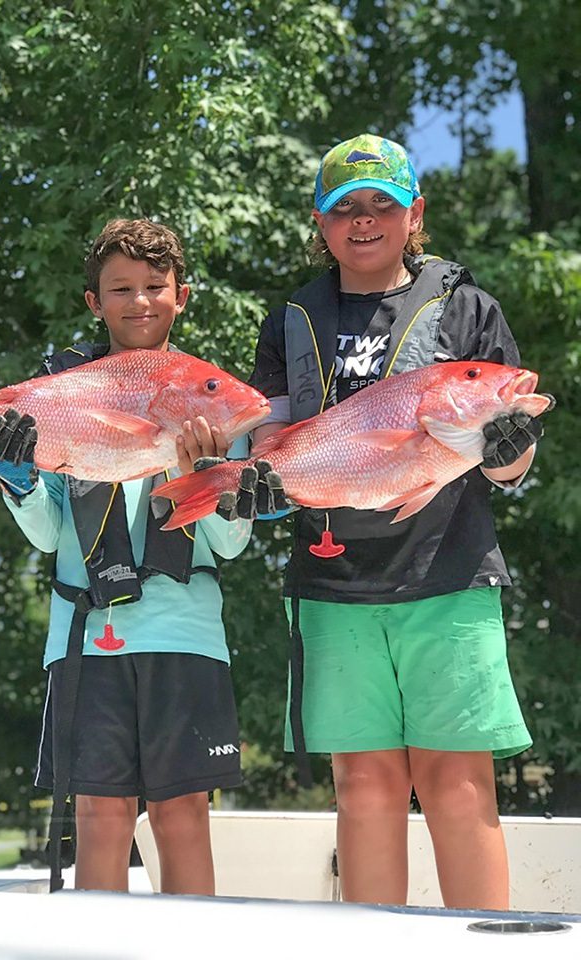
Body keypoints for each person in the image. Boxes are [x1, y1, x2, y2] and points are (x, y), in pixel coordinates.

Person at [236, 133, 552, 910]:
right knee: (366, 784)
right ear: (320, 223)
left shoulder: (470, 309)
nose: (366, 220)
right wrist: (250, 484)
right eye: (346, 208)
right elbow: (269, 447)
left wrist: (509, 446)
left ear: (417, 215)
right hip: (332, 581)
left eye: (384, 204)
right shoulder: (290, 322)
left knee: (456, 777)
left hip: (448, 573)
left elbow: (512, 470)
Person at [0, 218, 251, 894]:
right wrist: (19, 479)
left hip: (185, 635)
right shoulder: (64, 392)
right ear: (94, 302)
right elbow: (46, 535)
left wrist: (206, 475)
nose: (141, 301)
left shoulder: (213, 400)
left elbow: (232, 544)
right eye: (121, 288)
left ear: (183, 294)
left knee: (183, 813)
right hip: (85, 637)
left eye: (156, 286)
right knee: (99, 814)